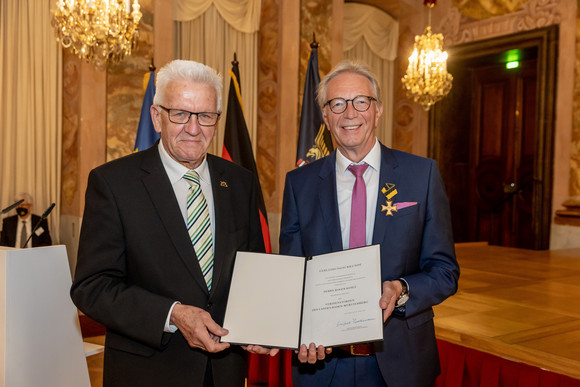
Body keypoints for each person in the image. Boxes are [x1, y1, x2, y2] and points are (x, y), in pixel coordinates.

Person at [71, 59, 276, 387]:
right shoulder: (114, 183)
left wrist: (264, 322)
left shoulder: (240, 183)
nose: (193, 129)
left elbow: (252, 271)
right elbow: (92, 287)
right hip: (148, 373)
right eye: (180, 114)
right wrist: (172, 314)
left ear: (217, 120)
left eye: (205, 116)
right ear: (157, 116)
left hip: (225, 372)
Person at [279, 60, 460, 387]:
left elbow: (444, 271)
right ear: (325, 116)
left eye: (361, 101)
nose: (350, 113)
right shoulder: (299, 184)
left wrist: (401, 290)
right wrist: (298, 330)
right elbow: (293, 277)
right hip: (322, 363)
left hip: (401, 359)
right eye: (337, 104)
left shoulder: (422, 176)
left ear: (377, 111)